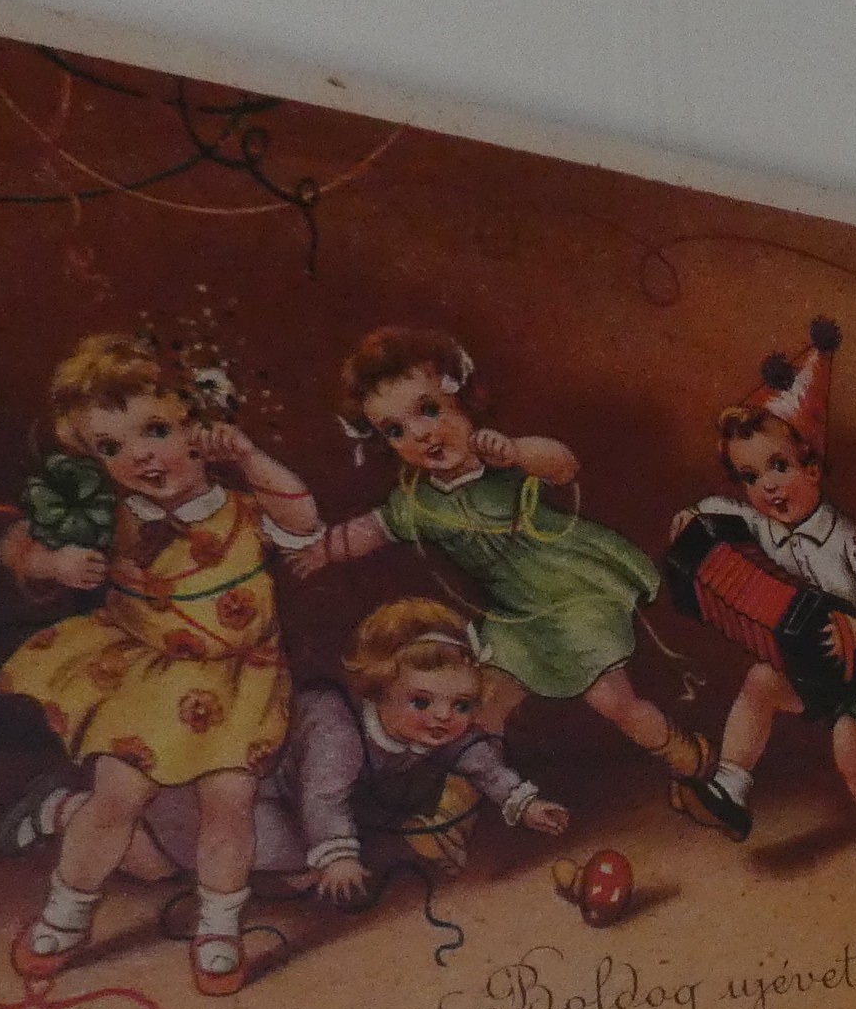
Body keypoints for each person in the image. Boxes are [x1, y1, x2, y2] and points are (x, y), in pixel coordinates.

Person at [0, 331, 320, 995]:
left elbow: (303, 517)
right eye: (110, 447)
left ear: (200, 426)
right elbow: (14, 543)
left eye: (157, 430)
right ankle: (67, 912)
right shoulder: (109, 516)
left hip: (238, 681)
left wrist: (249, 456)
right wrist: (52, 562)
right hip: (144, 673)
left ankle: (220, 927)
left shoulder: (244, 509)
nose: (139, 455)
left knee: (229, 804)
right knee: (117, 797)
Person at [291, 327, 730, 823]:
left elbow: (563, 465)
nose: (420, 434)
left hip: (572, 595)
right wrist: (323, 551)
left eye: (429, 410)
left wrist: (518, 453)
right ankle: (451, 817)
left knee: (614, 703)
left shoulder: (498, 459)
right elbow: (371, 529)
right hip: (515, 617)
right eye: (395, 430)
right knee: (481, 709)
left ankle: (688, 759)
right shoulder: (416, 501)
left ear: (463, 399)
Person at [3, 596, 570, 904]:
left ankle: (72, 814)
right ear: (378, 690)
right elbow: (323, 796)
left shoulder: (438, 730)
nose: (444, 717)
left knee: (158, 868)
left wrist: (523, 802)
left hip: (281, 805)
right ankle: (63, 808)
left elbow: (476, 755)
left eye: (461, 704)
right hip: (228, 792)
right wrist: (336, 856)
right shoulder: (335, 726)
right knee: (216, 862)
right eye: (422, 701)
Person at [666, 320, 856, 884]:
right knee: (761, 680)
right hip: (821, 653)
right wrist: (694, 515)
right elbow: (729, 511)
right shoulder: (764, 521)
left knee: (849, 749)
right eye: (750, 476)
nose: (767, 487)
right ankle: (730, 790)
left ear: (813, 468)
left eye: (779, 467)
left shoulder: (848, 538)